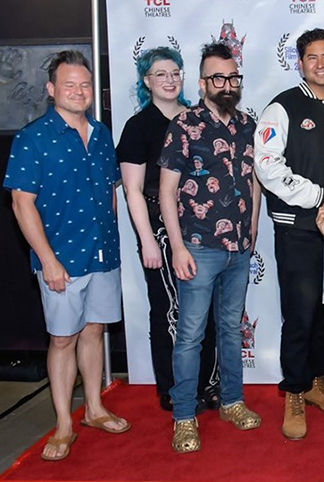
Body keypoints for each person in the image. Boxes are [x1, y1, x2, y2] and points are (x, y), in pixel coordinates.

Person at [5, 50, 130, 462]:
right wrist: (48, 260)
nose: (78, 91)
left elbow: (111, 192)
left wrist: (111, 245)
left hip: (102, 255)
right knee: (62, 339)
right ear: (51, 89)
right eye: (69, 84)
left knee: (94, 331)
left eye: (85, 85)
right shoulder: (33, 138)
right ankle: (63, 424)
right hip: (61, 260)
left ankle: (93, 408)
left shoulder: (100, 135)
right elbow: (22, 205)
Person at [253, 28, 324, 440]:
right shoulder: (282, 107)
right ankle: (293, 391)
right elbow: (266, 165)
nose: (320, 63)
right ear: (300, 63)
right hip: (298, 230)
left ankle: (317, 381)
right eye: (312, 57)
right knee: (300, 315)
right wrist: (316, 197)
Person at [158, 42, 262, 453]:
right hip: (198, 246)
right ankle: (184, 416)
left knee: (232, 332)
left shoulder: (248, 125)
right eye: (219, 78)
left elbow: (254, 180)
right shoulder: (184, 126)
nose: (228, 84)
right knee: (190, 336)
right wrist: (178, 247)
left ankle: (232, 401)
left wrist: (252, 226)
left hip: (239, 248)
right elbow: (167, 192)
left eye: (233, 77)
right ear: (202, 83)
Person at [116, 46, 220, 414]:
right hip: (159, 228)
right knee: (169, 311)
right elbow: (132, 190)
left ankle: (207, 383)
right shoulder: (138, 127)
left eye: (175, 72)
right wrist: (148, 241)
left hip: (201, 226)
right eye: (161, 74)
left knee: (204, 310)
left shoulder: (197, 119)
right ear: (146, 81)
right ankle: (174, 388)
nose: (170, 79)